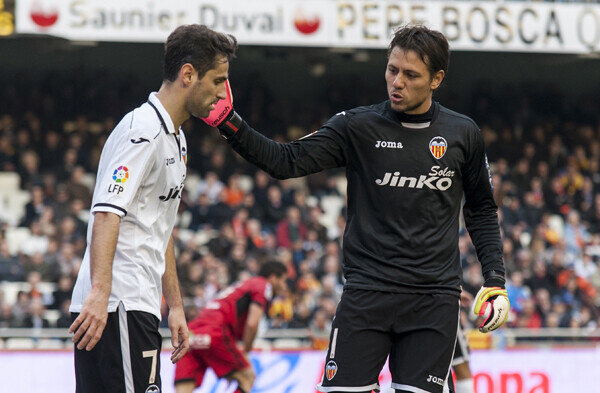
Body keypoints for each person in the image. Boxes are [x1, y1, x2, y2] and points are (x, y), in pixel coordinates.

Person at [202, 25, 510, 393]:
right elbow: (286, 161)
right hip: (367, 295)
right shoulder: (357, 126)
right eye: (392, 69)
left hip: (433, 301)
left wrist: (495, 279)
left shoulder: (464, 133)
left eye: (411, 75)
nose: (397, 82)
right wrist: (229, 122)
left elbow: (481, 209)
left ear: (436, 79)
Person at [68, 24, 237, 393]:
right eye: (218, 80)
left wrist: (174, 305)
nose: (223, 94)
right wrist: (101, 292)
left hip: (134, 303)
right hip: (117, 305)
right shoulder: (141, 131)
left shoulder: (176, 139)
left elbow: (162, 226)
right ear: (188, 75)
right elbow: (107, 212)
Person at [174, 261, 288, 393]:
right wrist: (247, 350)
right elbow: (252, 322)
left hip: (192, 332)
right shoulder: (263, 284)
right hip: (215, 331)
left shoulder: (244, 285)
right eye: (283, 281)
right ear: (273, 278)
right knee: (247, 377)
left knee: (183, 388)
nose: (284, 286)